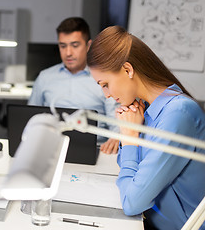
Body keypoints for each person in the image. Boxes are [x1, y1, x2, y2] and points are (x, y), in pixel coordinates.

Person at [87, 25, 205, 230]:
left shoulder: (178, 114)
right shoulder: (145, 109)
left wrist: (130, 138)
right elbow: (128, 167)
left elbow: (132, 202)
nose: (106, 94)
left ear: (127, 69)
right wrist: (129, 135)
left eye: (105, 84)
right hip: (146, 222)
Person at [28, 17, 119, 154]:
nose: (68, 53)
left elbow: (116, 123)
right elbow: (30, 118)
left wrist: (116, 138)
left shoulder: (103, 79)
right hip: (51, 148)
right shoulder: (45, 77)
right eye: (63, 46)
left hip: (95, 149)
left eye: (75, 45)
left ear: (88, 46)